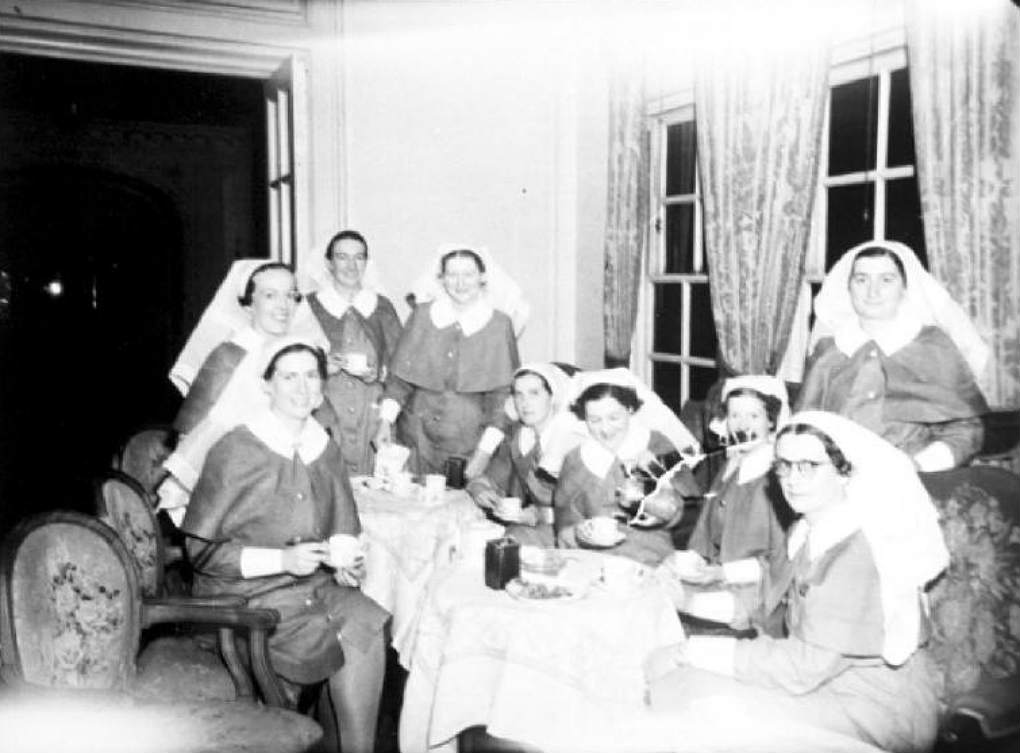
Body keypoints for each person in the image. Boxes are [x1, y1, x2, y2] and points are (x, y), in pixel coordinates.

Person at [646, 411, 948, 753]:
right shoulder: (807, 530)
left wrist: (694, 650)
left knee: (700, 701)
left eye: (808, 466)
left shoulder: (858, 553)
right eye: (784, 465)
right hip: (823, 682)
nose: (792, 479)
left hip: (877, 706)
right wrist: (687, 601)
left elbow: (801, 667)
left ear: (845, 472)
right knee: (673, 681)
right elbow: (767, 598)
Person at [182, 338, 388, 753]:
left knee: (368, 620)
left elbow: (342, 530)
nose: (302, 387)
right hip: (243, 598)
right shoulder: (236, 448)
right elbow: (199, 553)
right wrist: (282, 560)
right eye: (288, 376)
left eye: (311, 375)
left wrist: (346, 564)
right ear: (266, 386)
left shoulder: (324, 448)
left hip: (310, 589)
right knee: (344, 631)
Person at [157, 260, 327, 525]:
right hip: (234, 493)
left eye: (291, 295)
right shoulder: (228, 355)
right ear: (248, 304)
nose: (284, 306)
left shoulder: (300, 354)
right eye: (270, 295)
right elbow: (193, 433)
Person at [796, 240, 989, 471]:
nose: (872, 291)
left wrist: (917, 465)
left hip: (914, 480)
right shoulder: (827, 351)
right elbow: (803, 426)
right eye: (861, 279)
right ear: (848, 288)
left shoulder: (933, 346)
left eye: (886, 280)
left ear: (904, 288)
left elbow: (965, 430)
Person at [375, 245, 524, 476]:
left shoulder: (499, 325)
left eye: (468, 275)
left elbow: (501, 399)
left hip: (469, 443)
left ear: (482, 277)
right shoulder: (422, 316)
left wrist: (484, 453)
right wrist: (385, 421)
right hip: (416, 438)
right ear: (441, 279)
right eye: (452, 275)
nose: (460, 283)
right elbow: (399, 380)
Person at [665, 375, 791, 602]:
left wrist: (723, 573)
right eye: (735, 415)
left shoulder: (781, 480)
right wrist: (693, 560)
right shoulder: (730, 467)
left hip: (760, 594)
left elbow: (782, 562)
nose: (742, 425)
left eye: (754, 416)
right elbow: (703, 531)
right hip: (718, 582)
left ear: (771, 421)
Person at [554, 371, 699, 567]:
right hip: (592, 561)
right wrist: (578, 534)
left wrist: (657, 487)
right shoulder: (575, 458)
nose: (605, 429)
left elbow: (686, 517)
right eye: (594, 420)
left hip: (650, 559)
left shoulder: (656, 445)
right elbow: (565, 523)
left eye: (614, 418)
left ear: (630, 409)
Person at [291, 230, 403, 475]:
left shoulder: (382, 307)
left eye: (359, 257)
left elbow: (401, 371)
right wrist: (322, 367)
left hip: (373, 420)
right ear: (329, 263)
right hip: (325, 417)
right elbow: (287, 365)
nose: (351, 265)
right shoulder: (307, 307)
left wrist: (379, 374)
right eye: (342, 257)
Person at [466, 363, 577, 547]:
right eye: (519, 394)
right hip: (530, 526)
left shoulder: (568, 442)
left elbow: (580, 511)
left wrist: (536, 515)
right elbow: (491, 477)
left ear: (553, 397)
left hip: (565, 533)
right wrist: (480, 490)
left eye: (534, 393)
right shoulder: (520, 437)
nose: (525, 403)